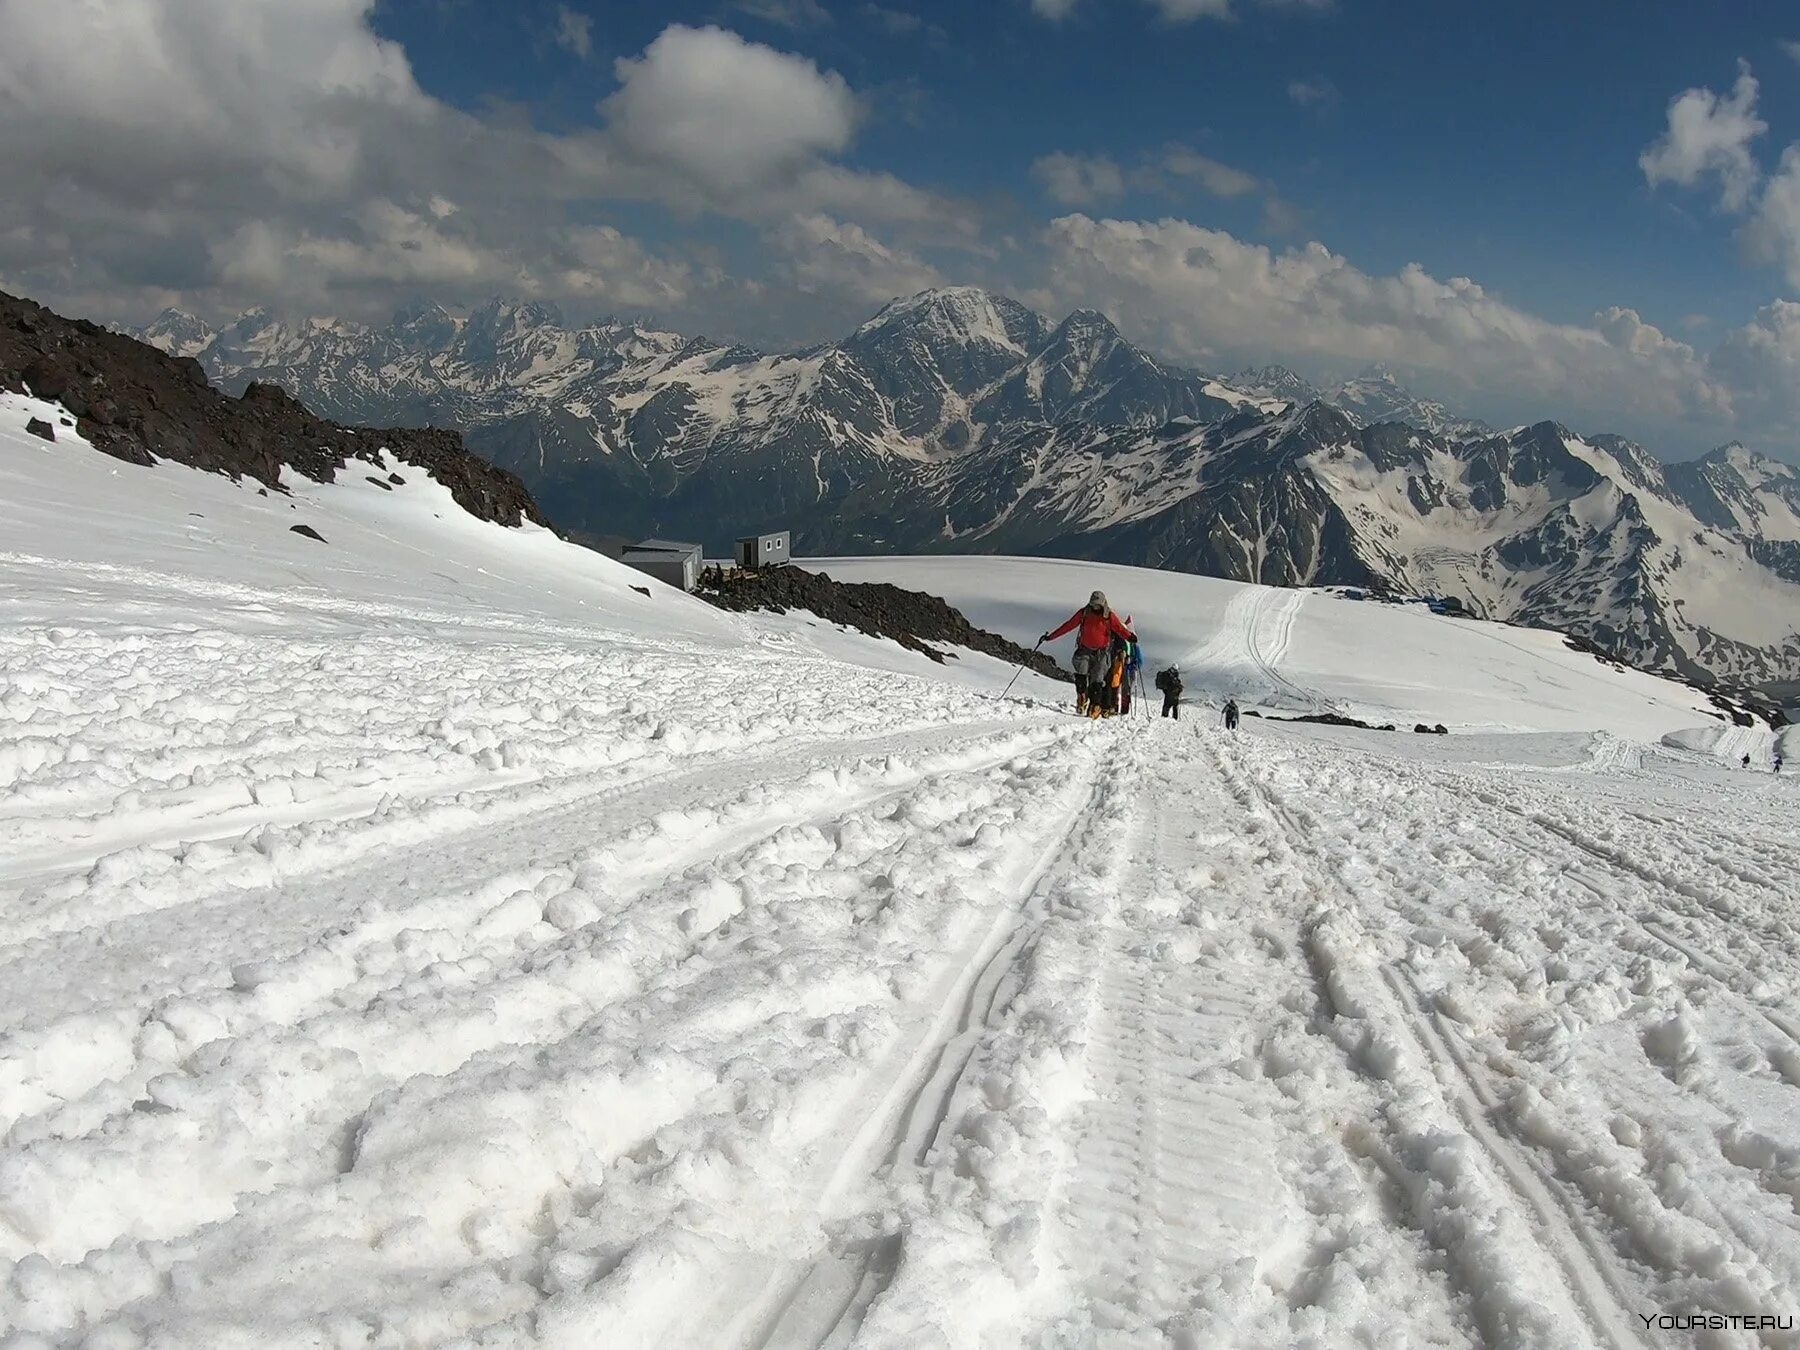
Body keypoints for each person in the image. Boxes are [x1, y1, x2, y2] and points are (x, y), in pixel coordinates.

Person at [1043, 591, 1136, 717]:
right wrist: (1050, 637)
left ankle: (1095, 705)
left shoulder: (1109, 616)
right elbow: (1068, 625)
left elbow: (1119, 629)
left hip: (1102, 652)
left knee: (1097, 679)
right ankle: (1082, 697)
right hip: (1085, 649)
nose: (1095, 607)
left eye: (1097, 605)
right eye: (1093, 604)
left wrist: (1130, 637)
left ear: (1103, 604)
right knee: (1081, 674)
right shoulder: (1084, 613)